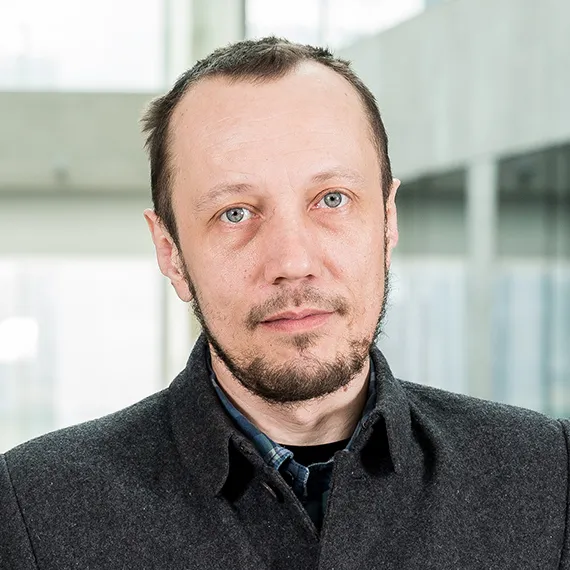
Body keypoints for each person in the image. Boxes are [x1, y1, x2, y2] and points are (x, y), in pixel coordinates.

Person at [1, 36, 568, 570]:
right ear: (170, 252)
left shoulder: (548, 477)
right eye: (235, 213)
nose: (293, 262)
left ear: (388, 220)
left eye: (332, 199)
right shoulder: (35, 513)